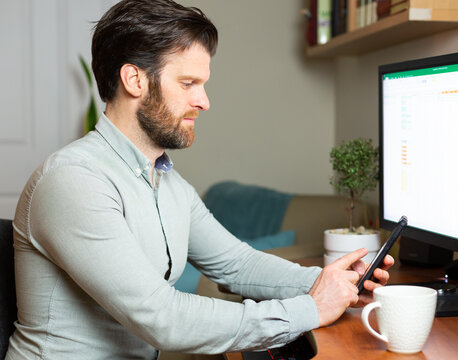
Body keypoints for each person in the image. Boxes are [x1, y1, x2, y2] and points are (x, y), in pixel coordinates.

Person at [6, 1, 394, 359]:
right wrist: (309, 308)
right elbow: (162, 317)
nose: (204, 101)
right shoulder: (73, 181)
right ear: (134, 80)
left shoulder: (169, 184)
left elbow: (236, 264)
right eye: (188, 83)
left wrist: (332, 282)